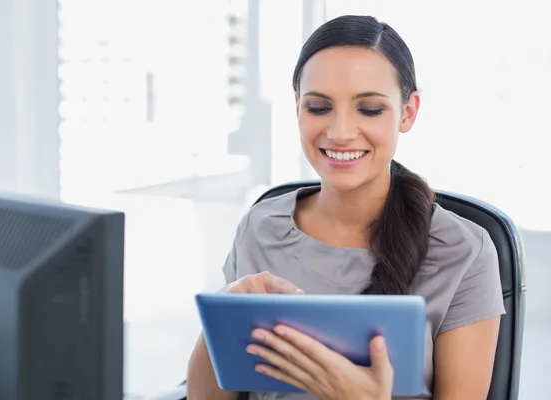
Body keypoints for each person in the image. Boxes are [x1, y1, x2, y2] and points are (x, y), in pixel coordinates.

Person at [187, 15, 505, 400]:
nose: (339, 132)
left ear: (408, 112)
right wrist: (220, 317)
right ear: (297, 109)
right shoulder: (260, 226)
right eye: (318, 108)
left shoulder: (464, 251)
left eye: (369, 109)